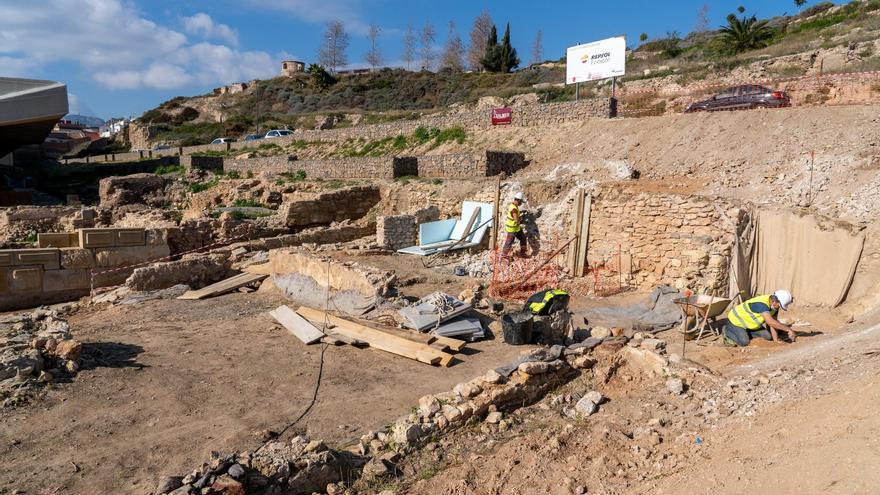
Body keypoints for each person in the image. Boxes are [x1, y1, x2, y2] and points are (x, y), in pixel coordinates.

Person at [724, 290, 796, 347]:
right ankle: (726, 330)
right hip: (735, 321)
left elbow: (772, 323)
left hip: (749, 325)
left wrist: (776, 340)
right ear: (775, 301)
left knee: (767, 336)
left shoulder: (774, 307)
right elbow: (770, 322)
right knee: (744, 342)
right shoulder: (761, 304)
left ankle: (744, 333)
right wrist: (788, 329)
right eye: (779, 305)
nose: (779, 308)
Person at [501, 192, 528, 258]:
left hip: (516, 228)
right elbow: (516, 220)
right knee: (509, 242)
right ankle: (503, 255)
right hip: (512, 229)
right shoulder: (514, 209)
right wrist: (521, 218)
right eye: (521, 202)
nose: (521, 203)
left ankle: (522, 253)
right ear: (518, 200)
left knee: (523, 238)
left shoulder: (514, 205)